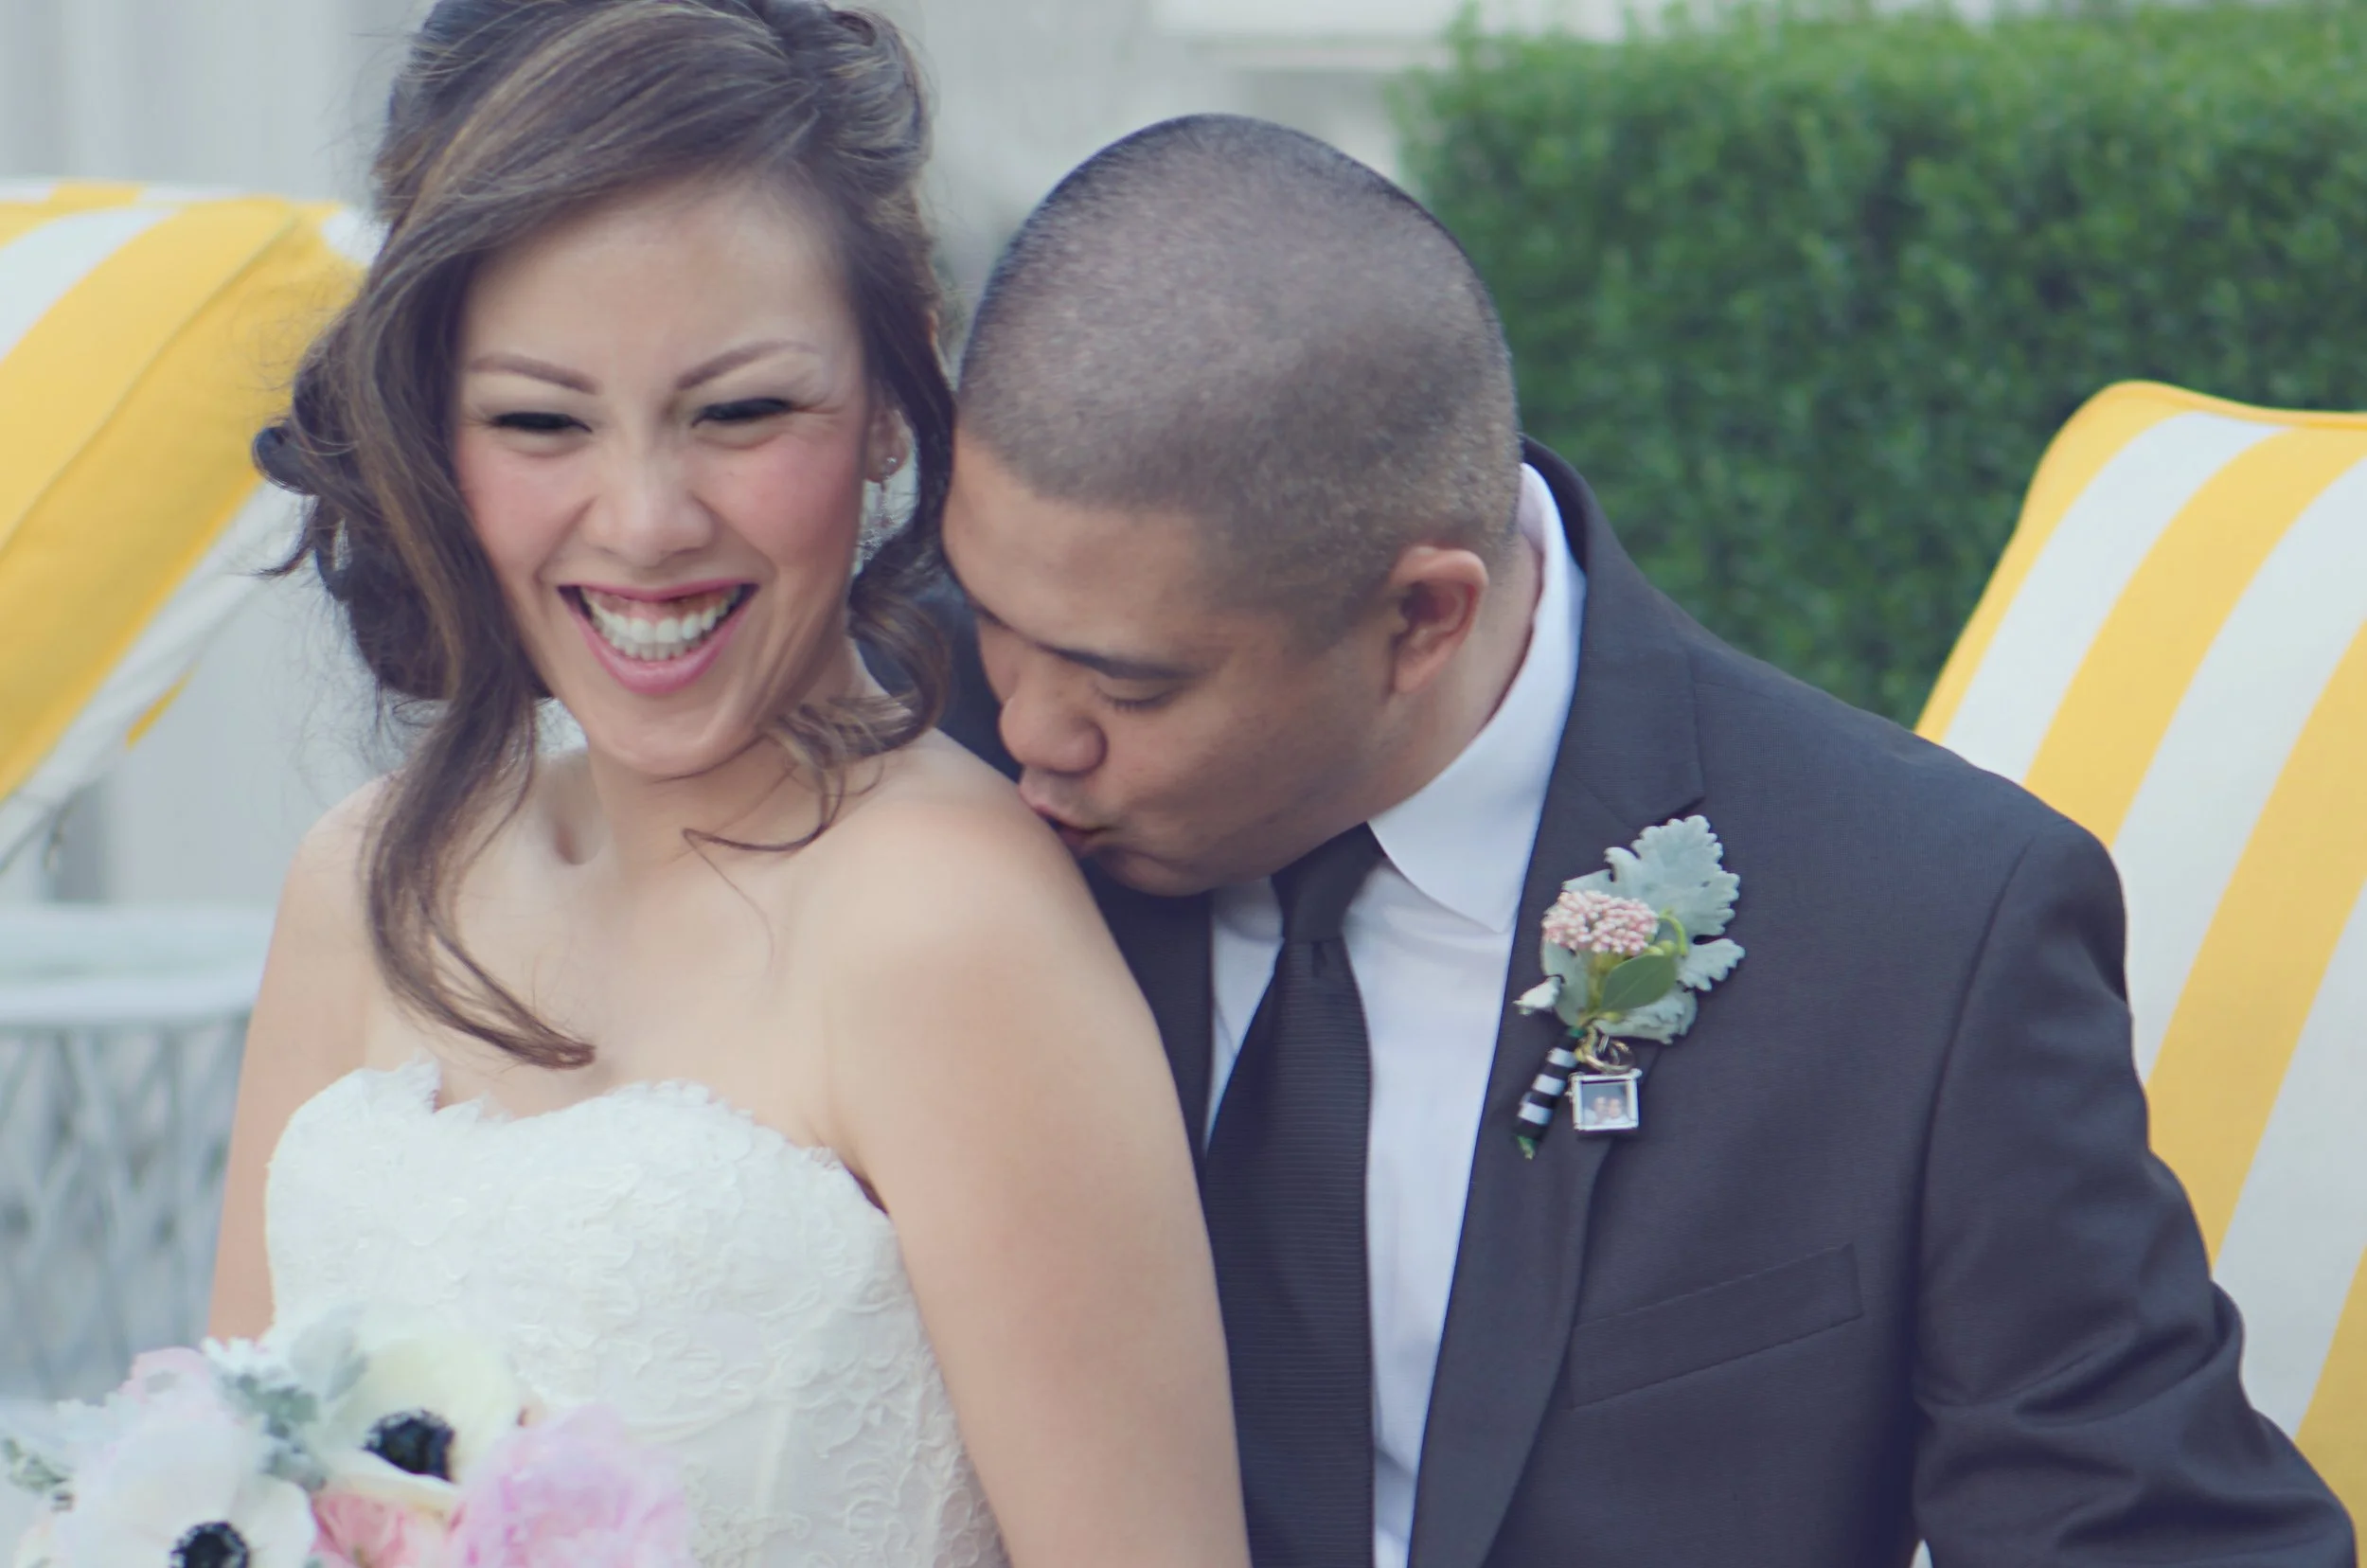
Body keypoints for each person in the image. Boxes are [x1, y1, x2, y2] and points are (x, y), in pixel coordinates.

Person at [937, 115, 2357, 1567]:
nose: (1032, 729)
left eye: (1129, 684)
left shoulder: (1921, 937)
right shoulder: (912, 759)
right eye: (988, 613)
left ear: (1423, 617)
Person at [209, 8, 1251, 1567]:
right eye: (540, 421)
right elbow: (226, 1485)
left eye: (743, 412)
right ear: (432, 427)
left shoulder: (948, 929)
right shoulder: (362, 882)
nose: (641, 524)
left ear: (894, 389)